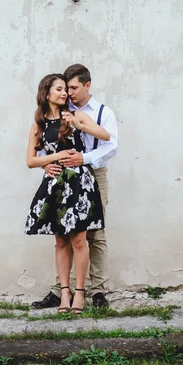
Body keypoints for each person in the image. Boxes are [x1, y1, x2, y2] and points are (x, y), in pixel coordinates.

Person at [31, 64, 118, 309]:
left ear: (86, 85)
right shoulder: (58, 111)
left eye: (72, 87)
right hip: (63, 178)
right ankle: (62, 291)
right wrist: (46, 166)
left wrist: (83, 158)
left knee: (94, 234)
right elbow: (46, 148)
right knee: (64, 235)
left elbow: (110, 144)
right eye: (64, 88)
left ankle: (97, 291)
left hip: (93, 173)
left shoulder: (101, 112)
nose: (68, 92)